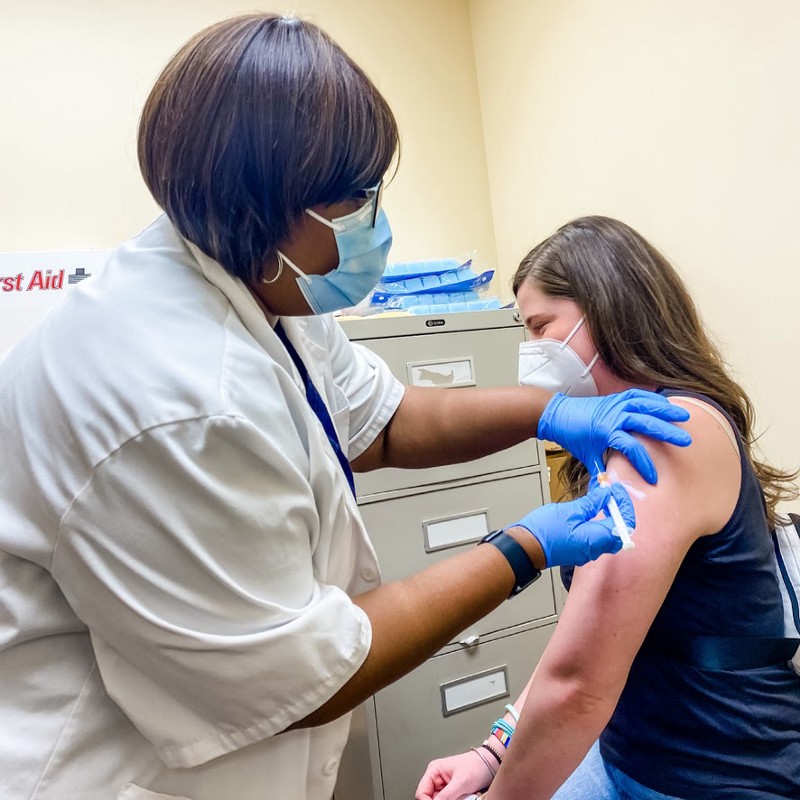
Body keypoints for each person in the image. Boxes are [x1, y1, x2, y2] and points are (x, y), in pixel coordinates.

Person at [0, 17, 692, 800]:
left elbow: (387, 421)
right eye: (355, 197)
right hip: (103, 767)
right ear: (266, 205)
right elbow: (303, 676)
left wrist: (545, 413)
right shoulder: (177, 398)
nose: (373, 217)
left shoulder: (264, 283)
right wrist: (523, 547)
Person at [416, 215, 800, 800]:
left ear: (607, 309)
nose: (532, 353)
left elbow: (577, 685)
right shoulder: (616, 441)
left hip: (717, 771)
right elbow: (584, 642)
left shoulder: (665, 432)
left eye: (542, 328)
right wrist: (493, 751)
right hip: (629, 752)